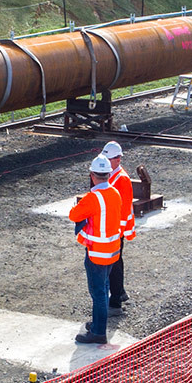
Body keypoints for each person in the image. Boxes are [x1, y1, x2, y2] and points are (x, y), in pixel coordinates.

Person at [66, 155, 124, 345]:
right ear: (108, 174)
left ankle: (98, 332)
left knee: (98, 292)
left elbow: (74, 215)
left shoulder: (93, 198)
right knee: (104, 288)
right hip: (113, 251)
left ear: (92, 174)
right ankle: (98, 323)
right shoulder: (115, 193)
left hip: (97, 253)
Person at [101, 141, 135, 316]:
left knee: (113, 264)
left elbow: (123, 209)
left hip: (115, 230)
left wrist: (118, 232)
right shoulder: (112, 174)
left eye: (109, 159)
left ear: (118, 159)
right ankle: (119, 293)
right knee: (115, 262)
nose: (106, 162)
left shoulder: (121, 179)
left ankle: (115, 302)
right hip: (112, 229)